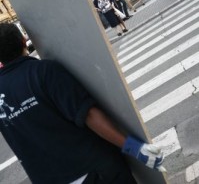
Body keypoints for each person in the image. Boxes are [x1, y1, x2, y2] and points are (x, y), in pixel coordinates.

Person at [0, 23, 165, 184]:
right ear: (23, 41)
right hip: (93, 171)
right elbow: (88, 115)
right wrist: (134, 148)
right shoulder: (43, 72)